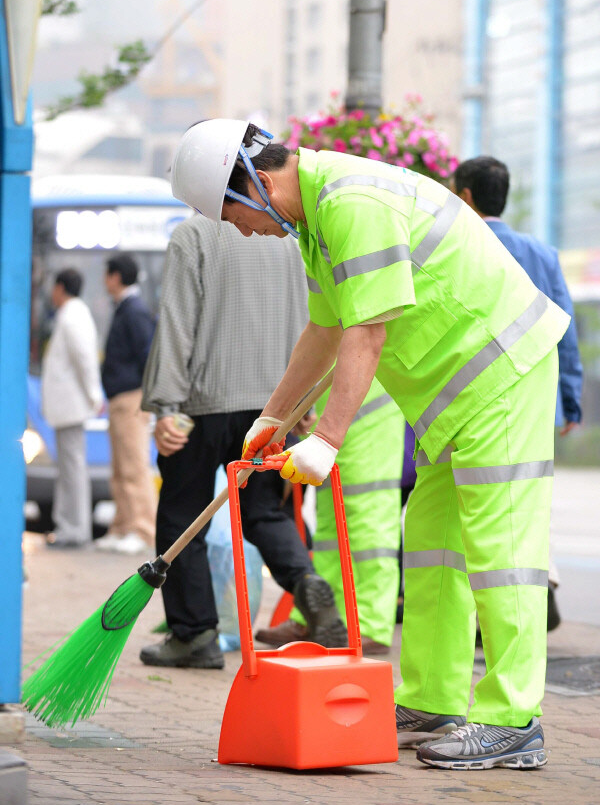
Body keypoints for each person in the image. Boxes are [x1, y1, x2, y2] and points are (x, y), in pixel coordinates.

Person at [169, 119, 570, 770]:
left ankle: (512, 719)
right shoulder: (321, 220)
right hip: (456, 397)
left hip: (501, 374)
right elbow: (325, 331)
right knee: (434, 547)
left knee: (502, 552)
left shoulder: (353, 202)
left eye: (232, 214)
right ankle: (431, 701)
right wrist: (271, 419)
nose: (241, 230)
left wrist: (327, 439)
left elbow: (367, 332)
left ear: (259, 184)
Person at [139, 212, 347, 670]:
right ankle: (306, 582)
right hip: (273, 406)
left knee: (182, 514)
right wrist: (301, 404)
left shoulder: (192, 234)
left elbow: (176, 322)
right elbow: (311, 319)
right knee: (263, 512)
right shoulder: (288, 240)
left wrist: (166, 406)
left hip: (203, 403)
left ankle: (194, 634)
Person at [452, 155, 584, 630]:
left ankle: (485, 619)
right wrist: (570, 401)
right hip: (536, 396)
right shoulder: (542, 253)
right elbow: (563, 333)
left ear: (465, 196)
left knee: (472, 512)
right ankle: (537, 583)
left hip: (472, 399)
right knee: (527, 507)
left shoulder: (457, 244)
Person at [255, 378, 406, 656]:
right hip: (334, 409)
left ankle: (369, 625)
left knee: (367, 517)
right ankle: (320, 620)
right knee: (330, 522)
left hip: (368, 406)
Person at [96, 253, 158, 556]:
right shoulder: (125, 308)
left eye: (107, 274)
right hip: (120, 399)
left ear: (117, 276)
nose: (105, 280)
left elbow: (148, 355)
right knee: (120, 469)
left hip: (132, 398)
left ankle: (143, 530)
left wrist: (145, 397)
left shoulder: (133, 310)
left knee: (134, 466)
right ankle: (121, 526)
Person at [41, 268, 102, 548]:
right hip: (68, 407)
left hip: (72, 406)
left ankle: (75, 530)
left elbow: (85, 359)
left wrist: (93, 395)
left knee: (73, 469)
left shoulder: (73, 315)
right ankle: (68, 527)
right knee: (69, 469)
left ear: (60, 287)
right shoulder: (72, 314)